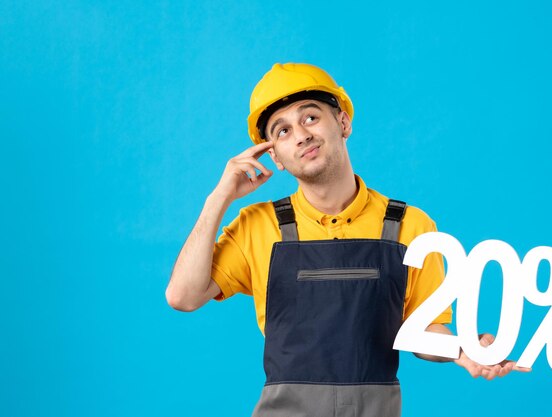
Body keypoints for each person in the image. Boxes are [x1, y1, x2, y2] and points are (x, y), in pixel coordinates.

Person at [166, 63, 529, 417]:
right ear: (274, 155)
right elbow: (182, 296)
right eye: (282, 131)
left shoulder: (410, 226)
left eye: (310, 117)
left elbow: (424, 331)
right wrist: (219, 198)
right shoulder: (257, 226)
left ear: (342, 122)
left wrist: (464, 349)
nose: (301, 135)